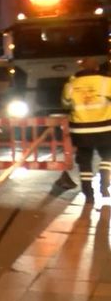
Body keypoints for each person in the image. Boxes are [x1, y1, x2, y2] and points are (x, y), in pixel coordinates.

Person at [61, 57, 111, 204]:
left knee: (84, 161)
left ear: (81, 68)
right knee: (108, 155)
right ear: (97, 68)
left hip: (80, 129)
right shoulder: (106, 82)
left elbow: (65, 104)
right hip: (105, 127)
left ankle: (88, 194)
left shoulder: (71, 85)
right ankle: (104, 181)